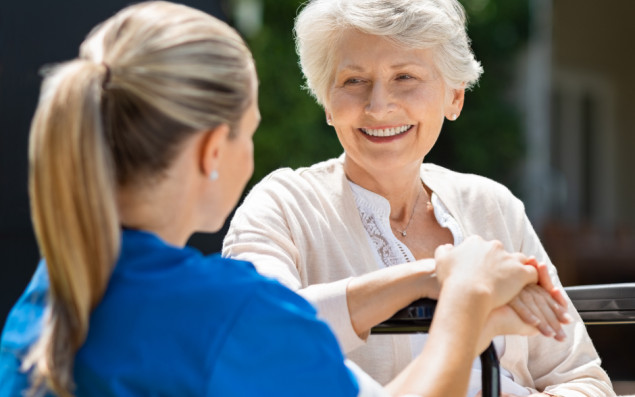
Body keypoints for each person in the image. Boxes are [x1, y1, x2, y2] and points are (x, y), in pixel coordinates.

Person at [0, 1, 556, 396]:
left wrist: (427, 277)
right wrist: (466, 302)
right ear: (214, 149)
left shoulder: (55, 289)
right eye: (251, 130)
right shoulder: (231, 314)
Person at [222, 0, 614, 396]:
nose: (378, 105)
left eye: (405, 76)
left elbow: (580, 379)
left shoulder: (492, 205)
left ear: (454, 98)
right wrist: (441, 278)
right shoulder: (283, 206)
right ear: (327, 102)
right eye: (354, 81)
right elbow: (255, 334)